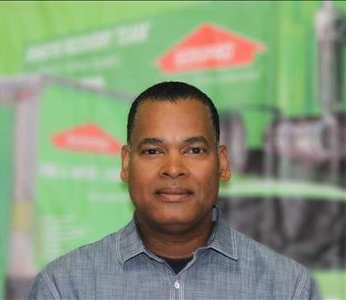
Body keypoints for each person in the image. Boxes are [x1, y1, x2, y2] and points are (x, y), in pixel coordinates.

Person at [28, 82, 319, 299]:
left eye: (194, 150)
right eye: (153, 150)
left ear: (222, 164)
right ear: (127, 164)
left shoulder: (287, 287)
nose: (173, 168)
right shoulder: (65, 287)